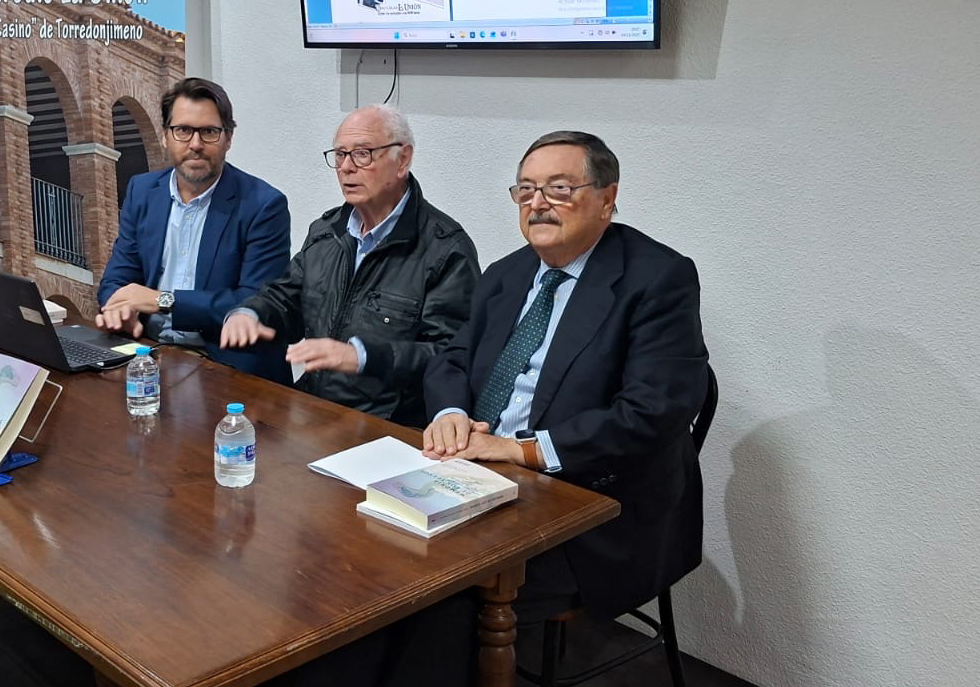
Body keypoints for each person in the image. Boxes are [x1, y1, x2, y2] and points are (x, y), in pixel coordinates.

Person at [422, 131, 709, 624]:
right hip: (476, 474)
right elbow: (454, 355)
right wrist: (449, 414)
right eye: (526, 190)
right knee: (366, 553)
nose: (538, 204)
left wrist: (523, 451)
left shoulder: (658, 279)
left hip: (591, 502)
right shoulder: (507, 273)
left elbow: (654, 411)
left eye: (559, 189)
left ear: (607, 198)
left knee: (434, 597)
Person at [220, 105, 479, 426]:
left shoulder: (445, 249)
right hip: (315, 408)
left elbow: (450, 357)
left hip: (390, 426)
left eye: (362, 154)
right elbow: (286, 298)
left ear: (403, 159)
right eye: (340, 154)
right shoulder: (327, 231)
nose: (346, 167)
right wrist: (251, 313)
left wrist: (364, 357)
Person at [95, 77, 292, 383]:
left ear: (228, 138)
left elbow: (255, 302)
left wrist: (161, 300)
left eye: (209, 132)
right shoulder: (143, 191)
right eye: (183, 130)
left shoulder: (263, 205)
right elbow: (117, 279)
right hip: (150, 355)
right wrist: (121, 310)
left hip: (225, 368)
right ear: (165, 136)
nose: (196, 144)